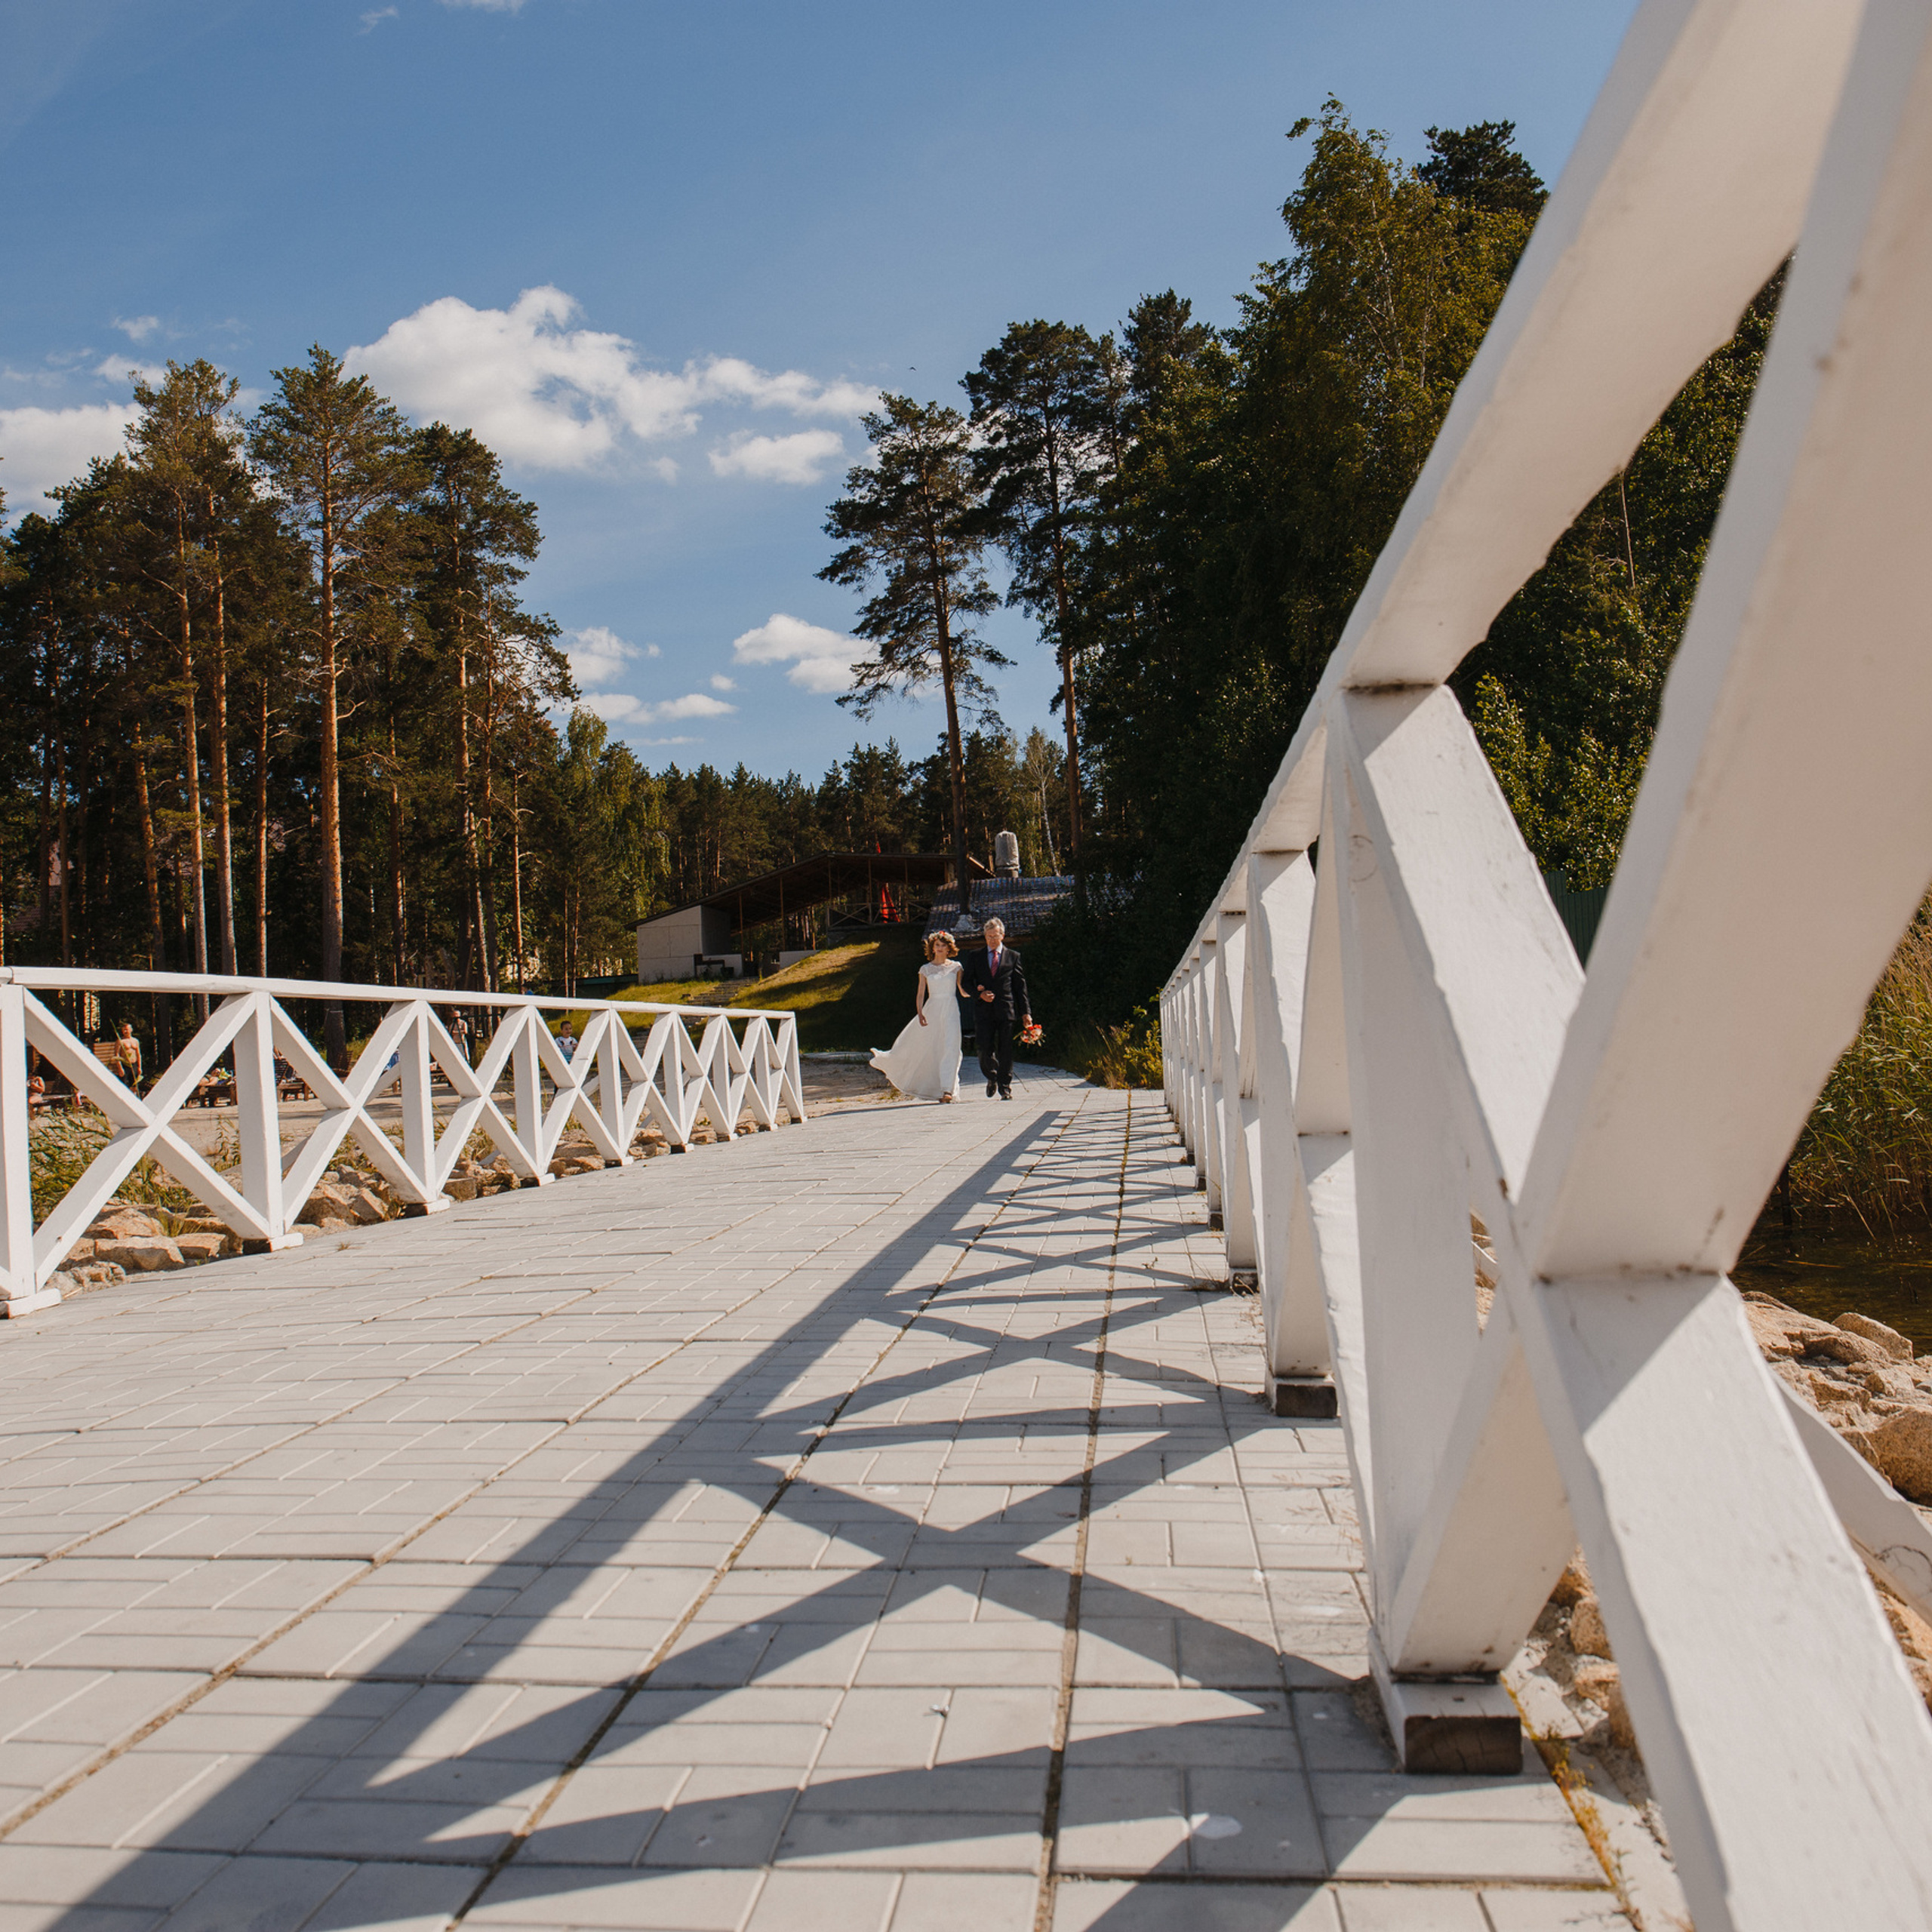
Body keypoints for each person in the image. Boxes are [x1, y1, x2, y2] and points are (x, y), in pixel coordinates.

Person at [868, 931, 963, 1101]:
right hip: (932, 1009)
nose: (940, 949)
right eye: (937, 946)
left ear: (949, 948)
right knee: (930, 1047)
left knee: (951, 1046)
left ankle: (948, 1090)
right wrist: (920, 1012)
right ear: (932, 948)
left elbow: (963, 989)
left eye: (943, 946)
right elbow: (920, 994)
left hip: (950, 1009)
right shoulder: (925, 969)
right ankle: (931, 1084)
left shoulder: (956, 967)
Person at [958, 916, 1031, 1100]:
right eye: (988, 936)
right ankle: (992, 1076)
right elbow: (966, 983)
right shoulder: (976, 956)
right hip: (983, 1010)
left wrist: (1026, 1013)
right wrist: (979, 994)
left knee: (1005, 1048)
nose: (992, 940)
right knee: (983, 1048)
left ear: (1002, 935)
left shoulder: (1013, 957)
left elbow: (1020, 988)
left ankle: (1005, 1087)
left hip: (1006, 1009)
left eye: (995, 936)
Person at [112, 1021, 142, 1089]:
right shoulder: (120, 1041)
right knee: (123, 1085)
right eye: (124, 1030)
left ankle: (133, 1098)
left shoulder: (135, 1041)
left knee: (134, 1085)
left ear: (131, 1030)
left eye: (127, 1030)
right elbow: (117, 1055)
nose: (125, 1031)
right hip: (124, 1065)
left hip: (134, 1064)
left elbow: (138, 1054)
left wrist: (139, 1067)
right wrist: (120, 1068)